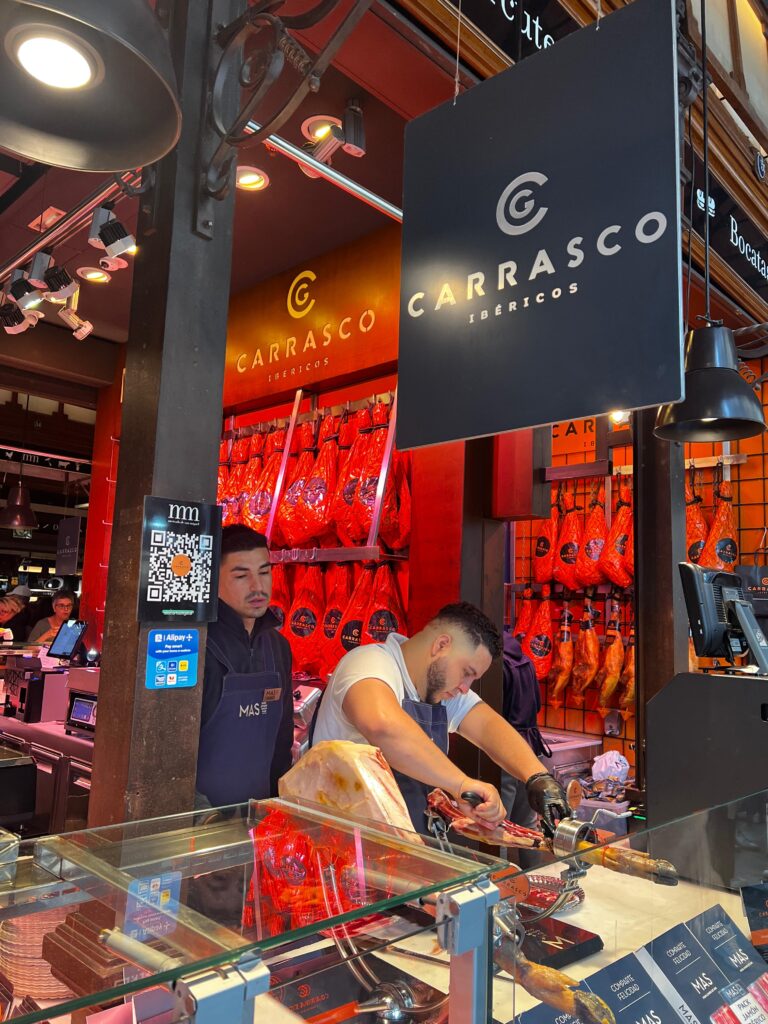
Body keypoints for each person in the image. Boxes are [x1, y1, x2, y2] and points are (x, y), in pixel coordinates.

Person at [312, 601, 569, 837]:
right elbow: (383, 725)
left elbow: (488, 725)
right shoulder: (369, 663)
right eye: (466, 673)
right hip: (340, 847)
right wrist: (461, 784)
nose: (465, 687)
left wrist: (538, 777)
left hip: (398, 848)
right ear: (441, 645)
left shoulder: (439, 689)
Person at [195, 524, 293, 809]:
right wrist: (201, 818)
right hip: (195, 828)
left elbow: (281, 743)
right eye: (241, 576)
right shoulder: (197, 646)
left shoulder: (278, 647)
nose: (258, 587)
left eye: (264, 572)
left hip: (257, 821)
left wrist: (278, 808)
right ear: (213, 579)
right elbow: (167, 753)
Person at [500, 631, 553, 865]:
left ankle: (498, 883)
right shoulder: (525, 660)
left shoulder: (497, 665)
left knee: (498, 824)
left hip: (505, 749)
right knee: (527, 822)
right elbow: (538, 704)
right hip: (530, 748)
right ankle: (533, 877)